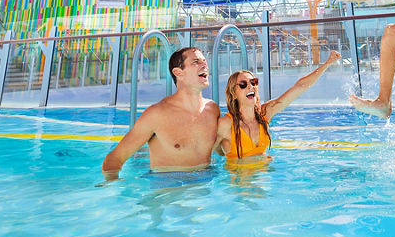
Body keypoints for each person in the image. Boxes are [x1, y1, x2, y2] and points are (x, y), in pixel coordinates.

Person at [102, 47, 220, 178]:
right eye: (196, 62)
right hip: (168, 185)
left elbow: (223, 150)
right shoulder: (156, 115)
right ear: (178, 72)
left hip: (205, 183)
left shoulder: (212, 110)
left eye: (204, 61)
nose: (205, 65)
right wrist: (112, 186)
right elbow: (113, 160)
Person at [217, 50, 342, 163]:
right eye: (243, 84)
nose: (250, 86)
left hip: (264, 178)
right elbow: (209, 153)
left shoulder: (264, 114)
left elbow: (300, 86)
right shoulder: (226, 124)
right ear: (233, 93)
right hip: (239, 181)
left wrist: (327, 64)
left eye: (253, 82)